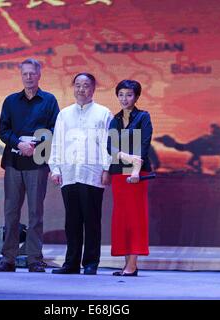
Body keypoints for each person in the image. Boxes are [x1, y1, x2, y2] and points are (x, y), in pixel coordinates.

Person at [0, 58, 59, 273]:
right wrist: (18, 143)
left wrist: (35, 144)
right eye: (25, 74)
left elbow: (53, 128)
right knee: (11, 212)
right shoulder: (10, 101)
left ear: (39, 75)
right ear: (21, 75)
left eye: (32, 73)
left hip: (38, 163)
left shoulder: (49, 100)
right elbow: (3, 130)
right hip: (14, 163)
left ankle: (34, 259)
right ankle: (8, 258)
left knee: (35, 213)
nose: (29, 77)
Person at [49, 73, 112, 275]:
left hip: (92, 173)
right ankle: (71, 263)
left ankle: (91, 262)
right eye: (77, 85)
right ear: (73, 88)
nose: (81, 89)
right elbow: (57, 142)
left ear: (93, 89)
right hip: (69, 173)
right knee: (72, 221)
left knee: (92, 220)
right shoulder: (64, 114)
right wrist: (55, 168)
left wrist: (106, 169)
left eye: (86, 86)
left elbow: (107, 144)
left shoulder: (103, 113)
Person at [107, 79, 152, 276]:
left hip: (136, 174)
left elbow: (143, 144)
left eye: (129, 95)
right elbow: (110, 146)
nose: (125, 99)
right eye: (121, 95)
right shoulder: (115, 119)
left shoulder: (143, 117)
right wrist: (124, 157)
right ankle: (127, 264)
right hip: (118, 172)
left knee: (135, 218)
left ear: (136, 97)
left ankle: (132, 264)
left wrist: (135, 169)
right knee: (122, 218)